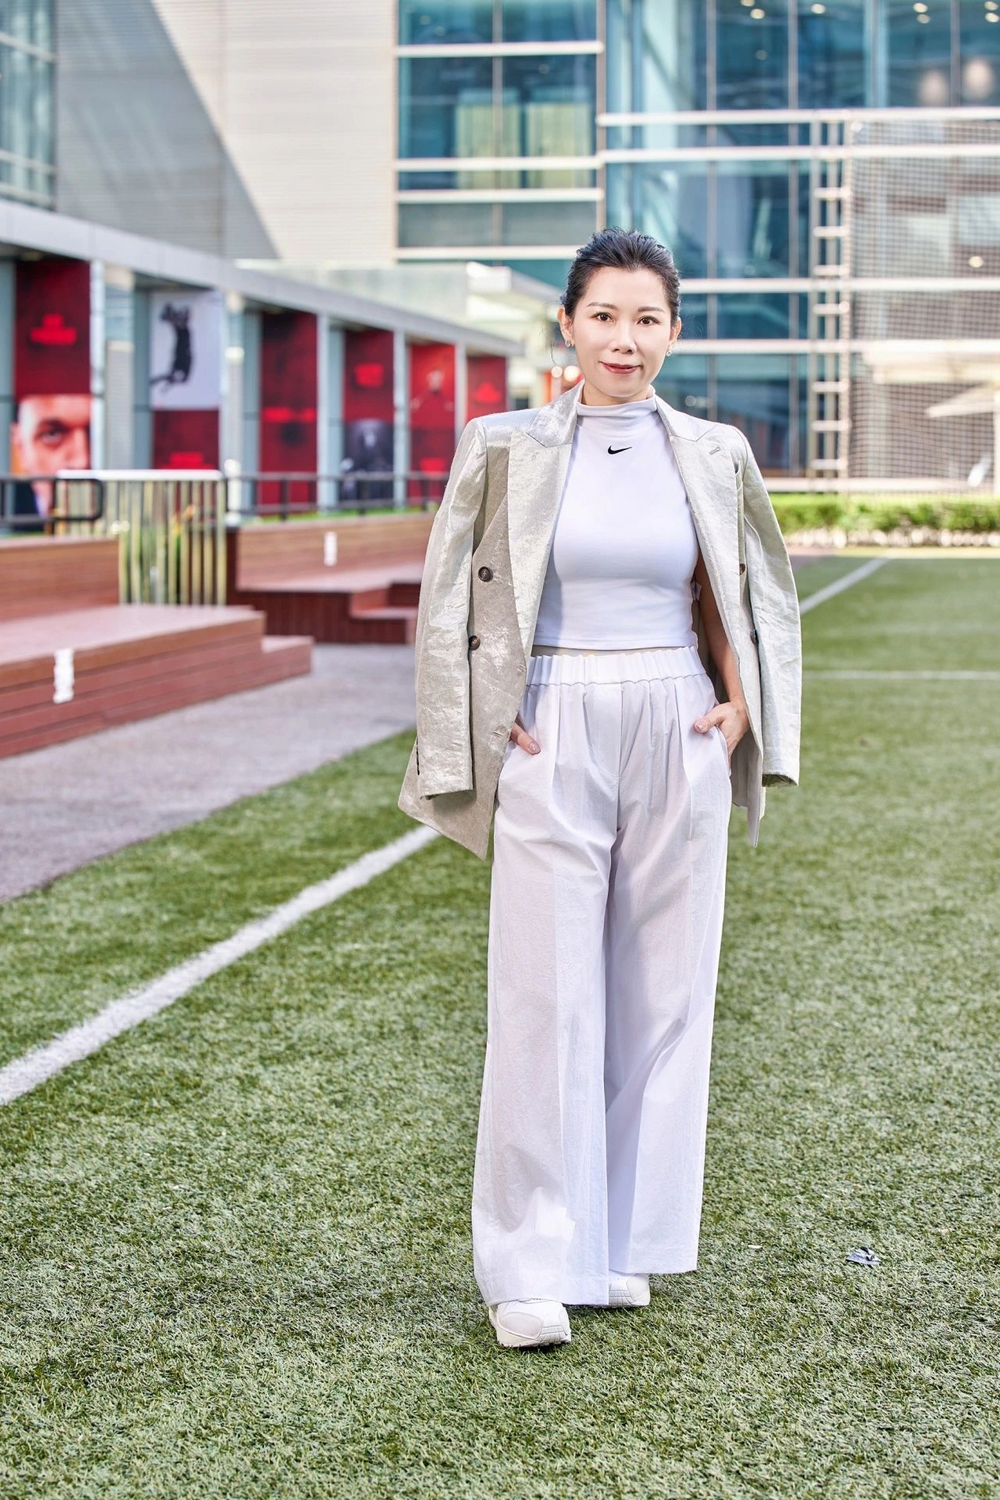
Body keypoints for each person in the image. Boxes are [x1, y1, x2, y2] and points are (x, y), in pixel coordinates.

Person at [397, 227, 802, 1350]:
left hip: (677, 718)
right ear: (569, 325)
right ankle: (527, 1265)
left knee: (666, 996)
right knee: (544, 994)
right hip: (550, 718)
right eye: (606, 316)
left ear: (674, 331)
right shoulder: (502, 444)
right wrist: (476, 722)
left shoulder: (714, 449)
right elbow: (449, 599)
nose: (625, 339)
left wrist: (740, 703)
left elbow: (741, 588)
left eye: (647, 319)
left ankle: (618, 1244)